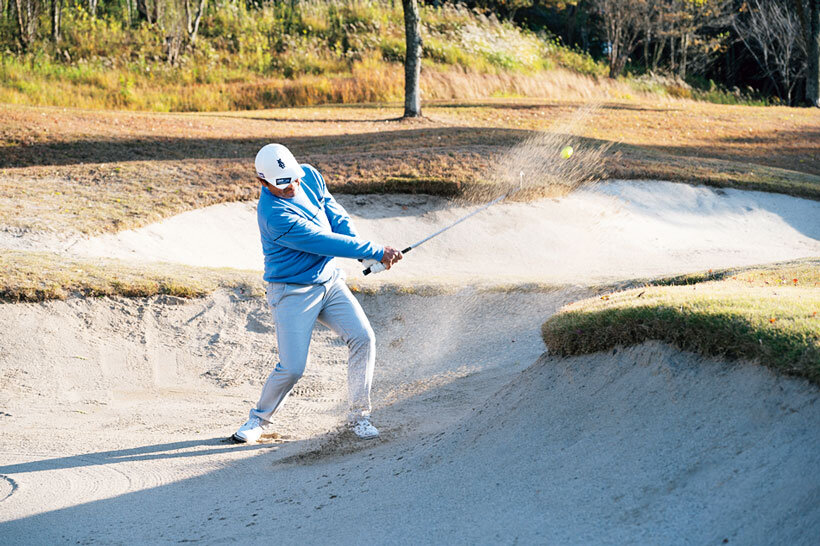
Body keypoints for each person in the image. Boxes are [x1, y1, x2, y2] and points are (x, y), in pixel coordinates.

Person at [233, 143, 403, 443]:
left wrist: (364, 255)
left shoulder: (309, 176)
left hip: (329, 282)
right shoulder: (273, 215)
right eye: (283, 184)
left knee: (363, 338)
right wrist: (376, 250)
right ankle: (258, 420)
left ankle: (359, 416)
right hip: (292, 292)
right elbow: (322, 240)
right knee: (293, 367)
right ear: (263, 182)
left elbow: (335, 216)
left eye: (294, 179)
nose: (293, 186)